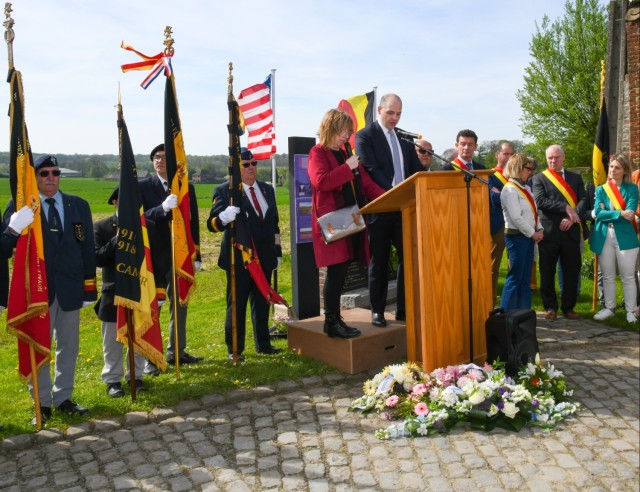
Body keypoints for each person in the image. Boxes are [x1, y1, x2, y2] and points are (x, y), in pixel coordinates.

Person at [3, 155, 97, 424]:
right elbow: (6, 245)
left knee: (68, 347)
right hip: (38, 291)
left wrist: (89, 287)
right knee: (39, 346)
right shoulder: (21, 205)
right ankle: (41, 403)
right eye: (44, 173)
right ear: (35, 177)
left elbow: (87, 248)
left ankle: (64, 397)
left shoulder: (78, 205)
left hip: (70, 288)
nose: (51, 178)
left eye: (55, 172)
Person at [308, 109, 385, 338]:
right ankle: (332, 322)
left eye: (348, 132)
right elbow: (320, 181)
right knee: (336, 272)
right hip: (333, 223)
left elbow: (367, 184)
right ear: (330, 128)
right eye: (342, 131)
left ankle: (334, 320)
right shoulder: (317, 153)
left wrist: (389, 196)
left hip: (350, 221)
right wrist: (347, 168)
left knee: (341, 271)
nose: (345, 136)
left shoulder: (346, 154)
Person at [207, 147, 283, 360]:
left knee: (262, 302)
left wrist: (277, 251)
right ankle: (235, 349)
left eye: (254, 164)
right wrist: (223, 217)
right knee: (236, 305)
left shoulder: (267, 190)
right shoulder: (225, 191)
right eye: (246, 165)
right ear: (236, 168)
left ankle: (263, 344)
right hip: (239, 260)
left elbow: (274, 224)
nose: (251, 168)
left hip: (265, 257)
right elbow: (212, 225)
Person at [355, 93, 423, 327]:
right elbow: (371, 168)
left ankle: (404, 309)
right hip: (381, 208)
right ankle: (378, 310)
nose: (395, 118)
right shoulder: (366, 136)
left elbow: (414, 169)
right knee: (380, 261)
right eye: (390, 113)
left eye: (399, 114)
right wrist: (394, 191)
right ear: (379, 111)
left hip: (404, 209)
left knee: (409, 259)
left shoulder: (403, 138)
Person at [139, 144, 202, 375]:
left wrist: (196, 255)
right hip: (153, 257)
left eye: (165, 157)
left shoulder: (186, 187)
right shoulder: (143, 187)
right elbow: (140, 218)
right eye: (156, 157)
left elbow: (192, 222)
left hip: (180, 257)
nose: (160, 161)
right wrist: (161, 209)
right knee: (151, 309)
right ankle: (150, 357)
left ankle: (177, 350)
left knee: (180, 305)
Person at [94, 188, 148, 397]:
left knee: (139, 335)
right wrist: (118, 239)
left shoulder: (145, 227)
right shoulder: (101, 227)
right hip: (113, 292)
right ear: (115, 202)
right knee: (112, 340)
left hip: (140, 289)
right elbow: (97, 258)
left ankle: (137, 375)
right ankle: (113, 380)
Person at [532, 144, 587, 320]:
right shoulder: (539, 178)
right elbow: (540, 201)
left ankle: (569, 307)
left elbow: (584, 199)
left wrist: (572, 217)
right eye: (549, 158)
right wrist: (565, 207)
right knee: (547, 271)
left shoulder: (575, 177)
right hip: (549, 232)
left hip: (570, 231)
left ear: (563, 157)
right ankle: (550, 307)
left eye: (556, 157)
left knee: (572, 270)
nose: (552, 161)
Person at [590, 155, 639, 324]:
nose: (612, 170)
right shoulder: (601, 190)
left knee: (627, 276)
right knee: (608, 275)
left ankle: (631, 311)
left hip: (625, 237)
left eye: (617, 167)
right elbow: (598, 213)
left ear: (624, 170)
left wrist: (609, 213)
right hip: (605, 236)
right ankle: (609, 308)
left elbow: (630, 214)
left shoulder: (632, 189)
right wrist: (620, 213)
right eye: (611, 167)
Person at [499, 154, 544, 310]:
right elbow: (516, 217)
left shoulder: (525, 188)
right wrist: (533, 233)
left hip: (528, 236)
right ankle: (505, 315)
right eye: (528, 168)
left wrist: (540, 228)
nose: (531, 172)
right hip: (517, 237)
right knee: (515, 277)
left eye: (532, 169)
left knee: (525, 278)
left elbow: (533, 211)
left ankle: (523, 315)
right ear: (517, 167)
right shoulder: (510, 189)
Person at [488, 142, 514, 305]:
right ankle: (490, 300)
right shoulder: (490, 175)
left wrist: (502, 194)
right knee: (492, 266)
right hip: (497, 225)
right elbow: (494, 198)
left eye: (511, 154)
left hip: (516, 225)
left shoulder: (517, 175)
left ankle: (511, 301)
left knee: (516, 265)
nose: (508, 157)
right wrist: (511, 196)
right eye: (505, 154)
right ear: (497, 155)